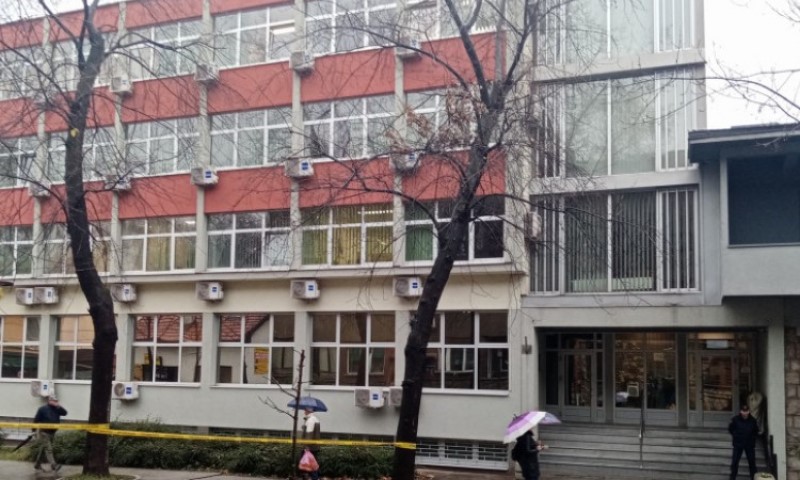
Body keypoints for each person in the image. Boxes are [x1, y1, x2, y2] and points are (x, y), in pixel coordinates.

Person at [33, 394, 67, 472]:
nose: (55, 402)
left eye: (56, 401)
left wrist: (59, 406)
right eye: (54, 401)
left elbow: (65, 413)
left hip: (52, 432)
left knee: (44, 448)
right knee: (49, 449)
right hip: (43, 432)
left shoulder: (57, 409)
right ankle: (54, 465)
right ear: (49, 401)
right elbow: (36, 420)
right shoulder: (42, 409)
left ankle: (37, 464)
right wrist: (33, 430)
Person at [729, 404, 758, 480]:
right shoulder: (735, 420)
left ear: (748, 411)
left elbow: (756, 431)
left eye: (746, 411)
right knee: (735, 462)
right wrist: (736, 435)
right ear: (740, 411)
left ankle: (754, 478)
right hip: (738, 444)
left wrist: (752, 439)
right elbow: (731, 429)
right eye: (743, 411)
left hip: (749, 445)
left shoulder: (753, 421)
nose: (745, 413)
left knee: (752, 463)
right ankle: (732, 478)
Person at [301, 407, 321, 480]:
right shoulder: (314, 419)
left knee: (307, 464)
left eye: (305, 410)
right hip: (314, 446)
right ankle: (315, 477)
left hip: (310, 447)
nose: (304, 412)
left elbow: (309, 434)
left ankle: (313, 478)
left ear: (308, 411)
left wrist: (306, 446)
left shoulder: (310, 420)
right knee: (313, 464)